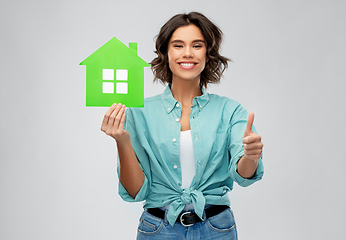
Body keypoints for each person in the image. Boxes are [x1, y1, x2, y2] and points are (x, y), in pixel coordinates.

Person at [101, 12, 264, 240]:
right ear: (165, 53)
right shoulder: (139, 113)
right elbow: (135, 190)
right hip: (158, 229)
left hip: (216, 229)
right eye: (178, 45)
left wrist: (251, 156)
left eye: (197, 45)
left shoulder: (230, 111)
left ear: (208, 53)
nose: (187, 53)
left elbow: (244, 175)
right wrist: (122, 141)